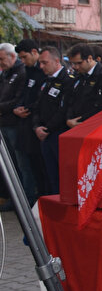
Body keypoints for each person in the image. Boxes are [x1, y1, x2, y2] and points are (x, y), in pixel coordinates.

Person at [32, 47, 75, 195]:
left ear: (56, 61)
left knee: (61, 176)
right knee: (50, 175)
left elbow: (63, 110)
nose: (41, 66)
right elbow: (37, 106)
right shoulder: (46, 81)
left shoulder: (67, 81)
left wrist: (47, 129)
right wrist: (37, 126)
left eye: (45, 62)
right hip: (44, 134)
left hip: (58, 133)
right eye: (40, 63)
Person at [13, 39, 45, 201]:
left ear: (34, 52)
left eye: (25, 57)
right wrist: (18, 107)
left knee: (40, 168)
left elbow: (41, 100)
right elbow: (23, 94)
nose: (23, 61)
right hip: (25, 125)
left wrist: (29, 109)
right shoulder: (28, 71)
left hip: (38, 126)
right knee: (27, 165)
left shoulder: (42, 71)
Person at [0, 43, 27, 210]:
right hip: (5, 123)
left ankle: (20, 199)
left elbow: (17, 100)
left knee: (18, 165)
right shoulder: (6, 73)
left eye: (2, 59)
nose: (0, 62)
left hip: (14, 125)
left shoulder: (21, 73)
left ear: (12, 57)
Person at [65, 43, 102, 127]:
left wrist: (82, 121)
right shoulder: (78, 76)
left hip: (92, 125)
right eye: (73, 64)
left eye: (79, 63)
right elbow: (70, 100)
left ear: (90, 58)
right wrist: (69, 119)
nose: (76, 67)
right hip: (74, 124)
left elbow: (101, 105)